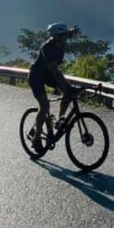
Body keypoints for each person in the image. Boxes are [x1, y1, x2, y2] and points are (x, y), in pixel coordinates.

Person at [28, 22, 80, 153]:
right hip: (36, 77)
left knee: (68, 95)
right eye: (62, 35)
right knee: (44, 106)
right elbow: (56, 72)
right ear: (55, 36)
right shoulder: (47, 49)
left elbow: (70, 33)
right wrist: (68, 86)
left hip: (48, 75)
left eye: (65, 35)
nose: (65, 37)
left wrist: (74, 31)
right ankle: (37, 138)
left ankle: (60, 120)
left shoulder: (61, 38)